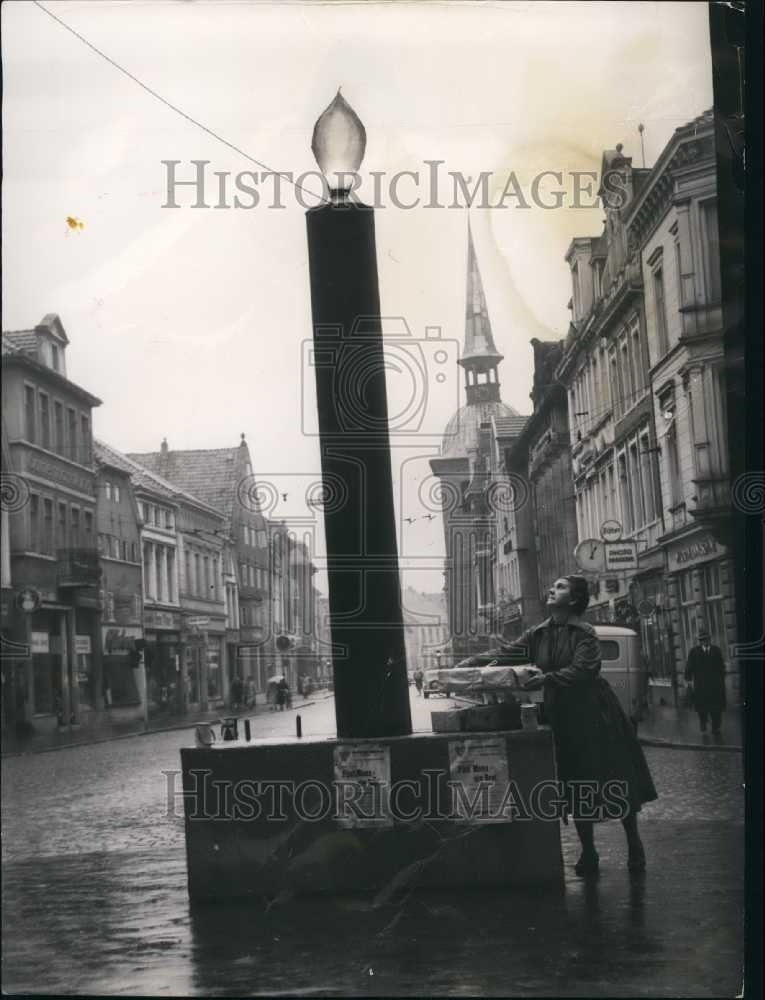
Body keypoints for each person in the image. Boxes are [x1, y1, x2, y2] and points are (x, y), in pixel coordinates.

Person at [457, 575, 658, 876]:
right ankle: (588, 851)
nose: (552, 589)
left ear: (574, 600)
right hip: (563, 715)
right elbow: (506, 654)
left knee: (615, 778)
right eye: (553, 586)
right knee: (574, 783)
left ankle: (634, 842)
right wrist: (471, 662)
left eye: (561, 587)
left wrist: (547, 679)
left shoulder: (585, 633)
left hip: (596, 714)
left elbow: (584, 669)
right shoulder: (539, 633)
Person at [684, 628, 726, 736]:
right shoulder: (694, 652)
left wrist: (721, 680)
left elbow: (721, 667)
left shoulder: (716, 650)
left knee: (716, 708)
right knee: (702, 708)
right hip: (701, 685)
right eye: (702, 640)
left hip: (715, 685)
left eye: (706, 639)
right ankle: (703, 725)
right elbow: (689, 667)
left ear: (709, 639)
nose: (705, 641)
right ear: (700, 641)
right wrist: (688, 681)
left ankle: (715, 728)